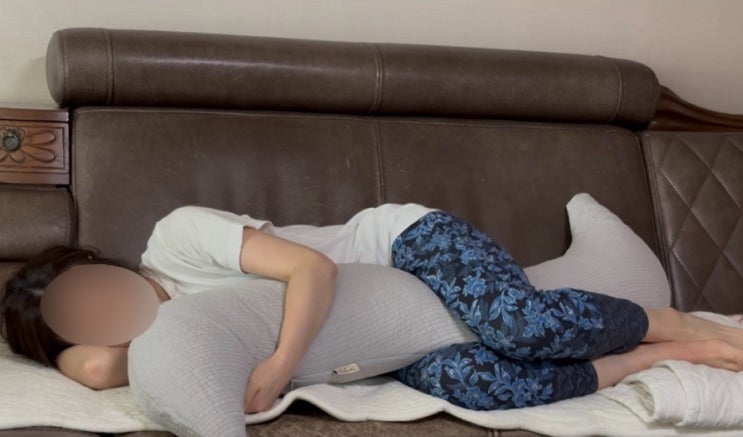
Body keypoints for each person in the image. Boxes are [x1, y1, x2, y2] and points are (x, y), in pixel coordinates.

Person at [2, 203, 743, 413]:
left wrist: (280, 364)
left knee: (518, 325)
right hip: (381, 345)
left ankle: (670, 321)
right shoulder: (173, 338)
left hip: (402, 248)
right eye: (81, 317)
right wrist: (64, 343)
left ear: (102, 262)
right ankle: (653, 358)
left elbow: (312, 268)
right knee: (481, 385)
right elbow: (94, 369)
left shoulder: (176, 239)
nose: (103, 308)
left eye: (91, 286)